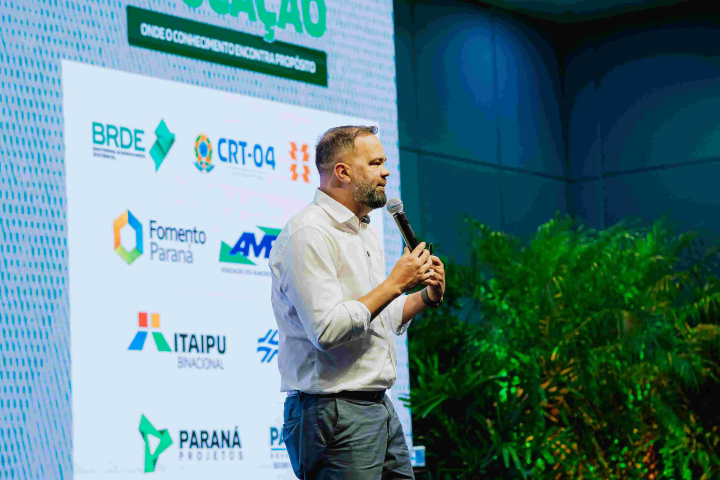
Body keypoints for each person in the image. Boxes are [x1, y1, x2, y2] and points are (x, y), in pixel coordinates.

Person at [269, 125, 446, 479]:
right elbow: (327, 330)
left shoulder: (363, 230)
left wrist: (426, 296)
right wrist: (395, 283)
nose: (386, 172)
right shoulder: (308, 233)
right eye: (376, 163)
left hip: (378, 405)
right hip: (333, 411)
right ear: (343, 172)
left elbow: (382, 316)